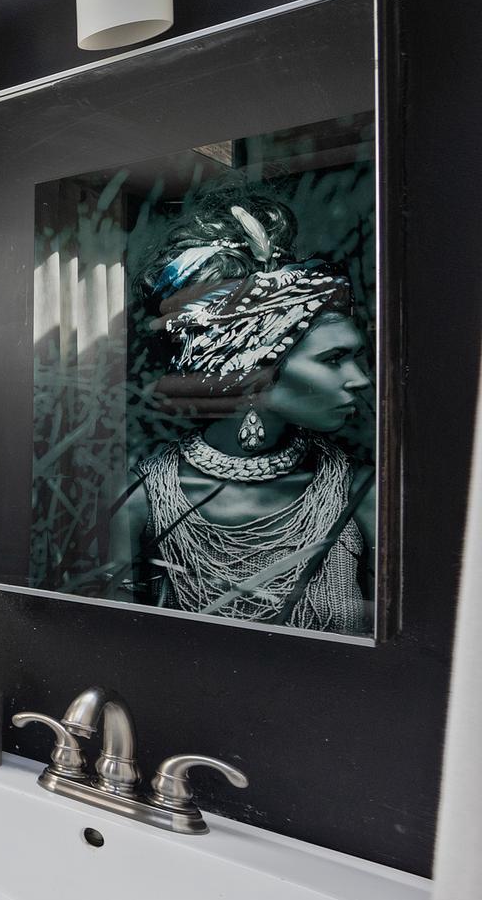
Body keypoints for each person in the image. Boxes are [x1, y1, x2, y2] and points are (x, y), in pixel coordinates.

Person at [109, 192, 374, 633]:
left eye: (355, 357)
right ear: (254, 370)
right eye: (333, 359)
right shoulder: (141, 500)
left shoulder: (361, 495)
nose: (360, 379)